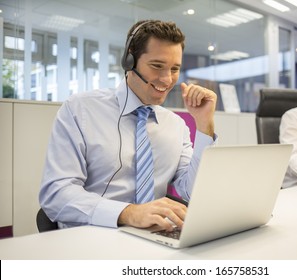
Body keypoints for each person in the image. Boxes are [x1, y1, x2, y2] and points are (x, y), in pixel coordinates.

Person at [39, 20, 217, 231]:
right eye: (157, 66)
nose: (167, 79)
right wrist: (128, 213)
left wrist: (205, 125)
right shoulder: (80, 110)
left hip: (153, 237)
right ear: (129, 60)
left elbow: (192, 192)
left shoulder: (176, 126)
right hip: (91, 235)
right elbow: (56, 193)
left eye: (175, 69)